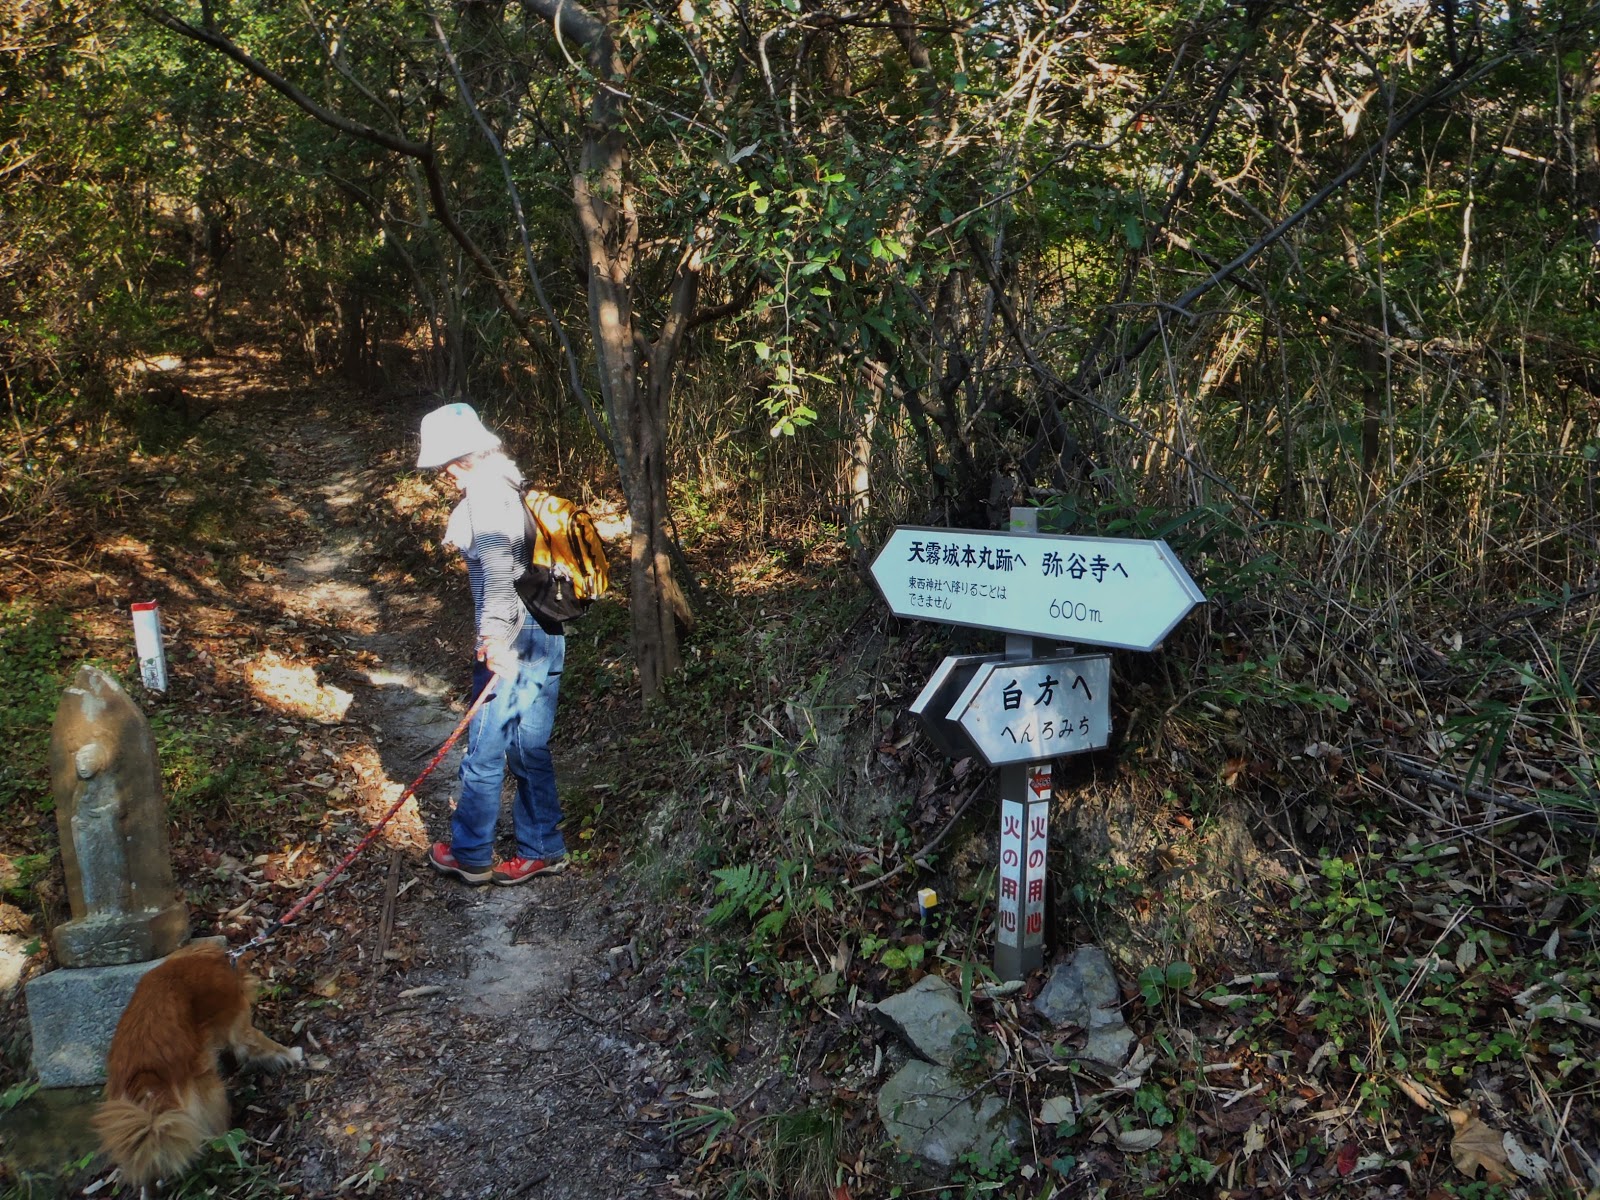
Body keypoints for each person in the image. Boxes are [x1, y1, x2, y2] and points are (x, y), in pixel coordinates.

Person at [415, 401, 567, 886]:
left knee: (483, 751)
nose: (447, 477)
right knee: (529, 746)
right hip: (545, 630)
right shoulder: (511, 485)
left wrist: (494, 640)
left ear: (461, 461)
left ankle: (472, 853)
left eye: (446, 467)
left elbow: (500, 572)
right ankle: (543, 847)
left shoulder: (485, 498)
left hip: (513, 638)